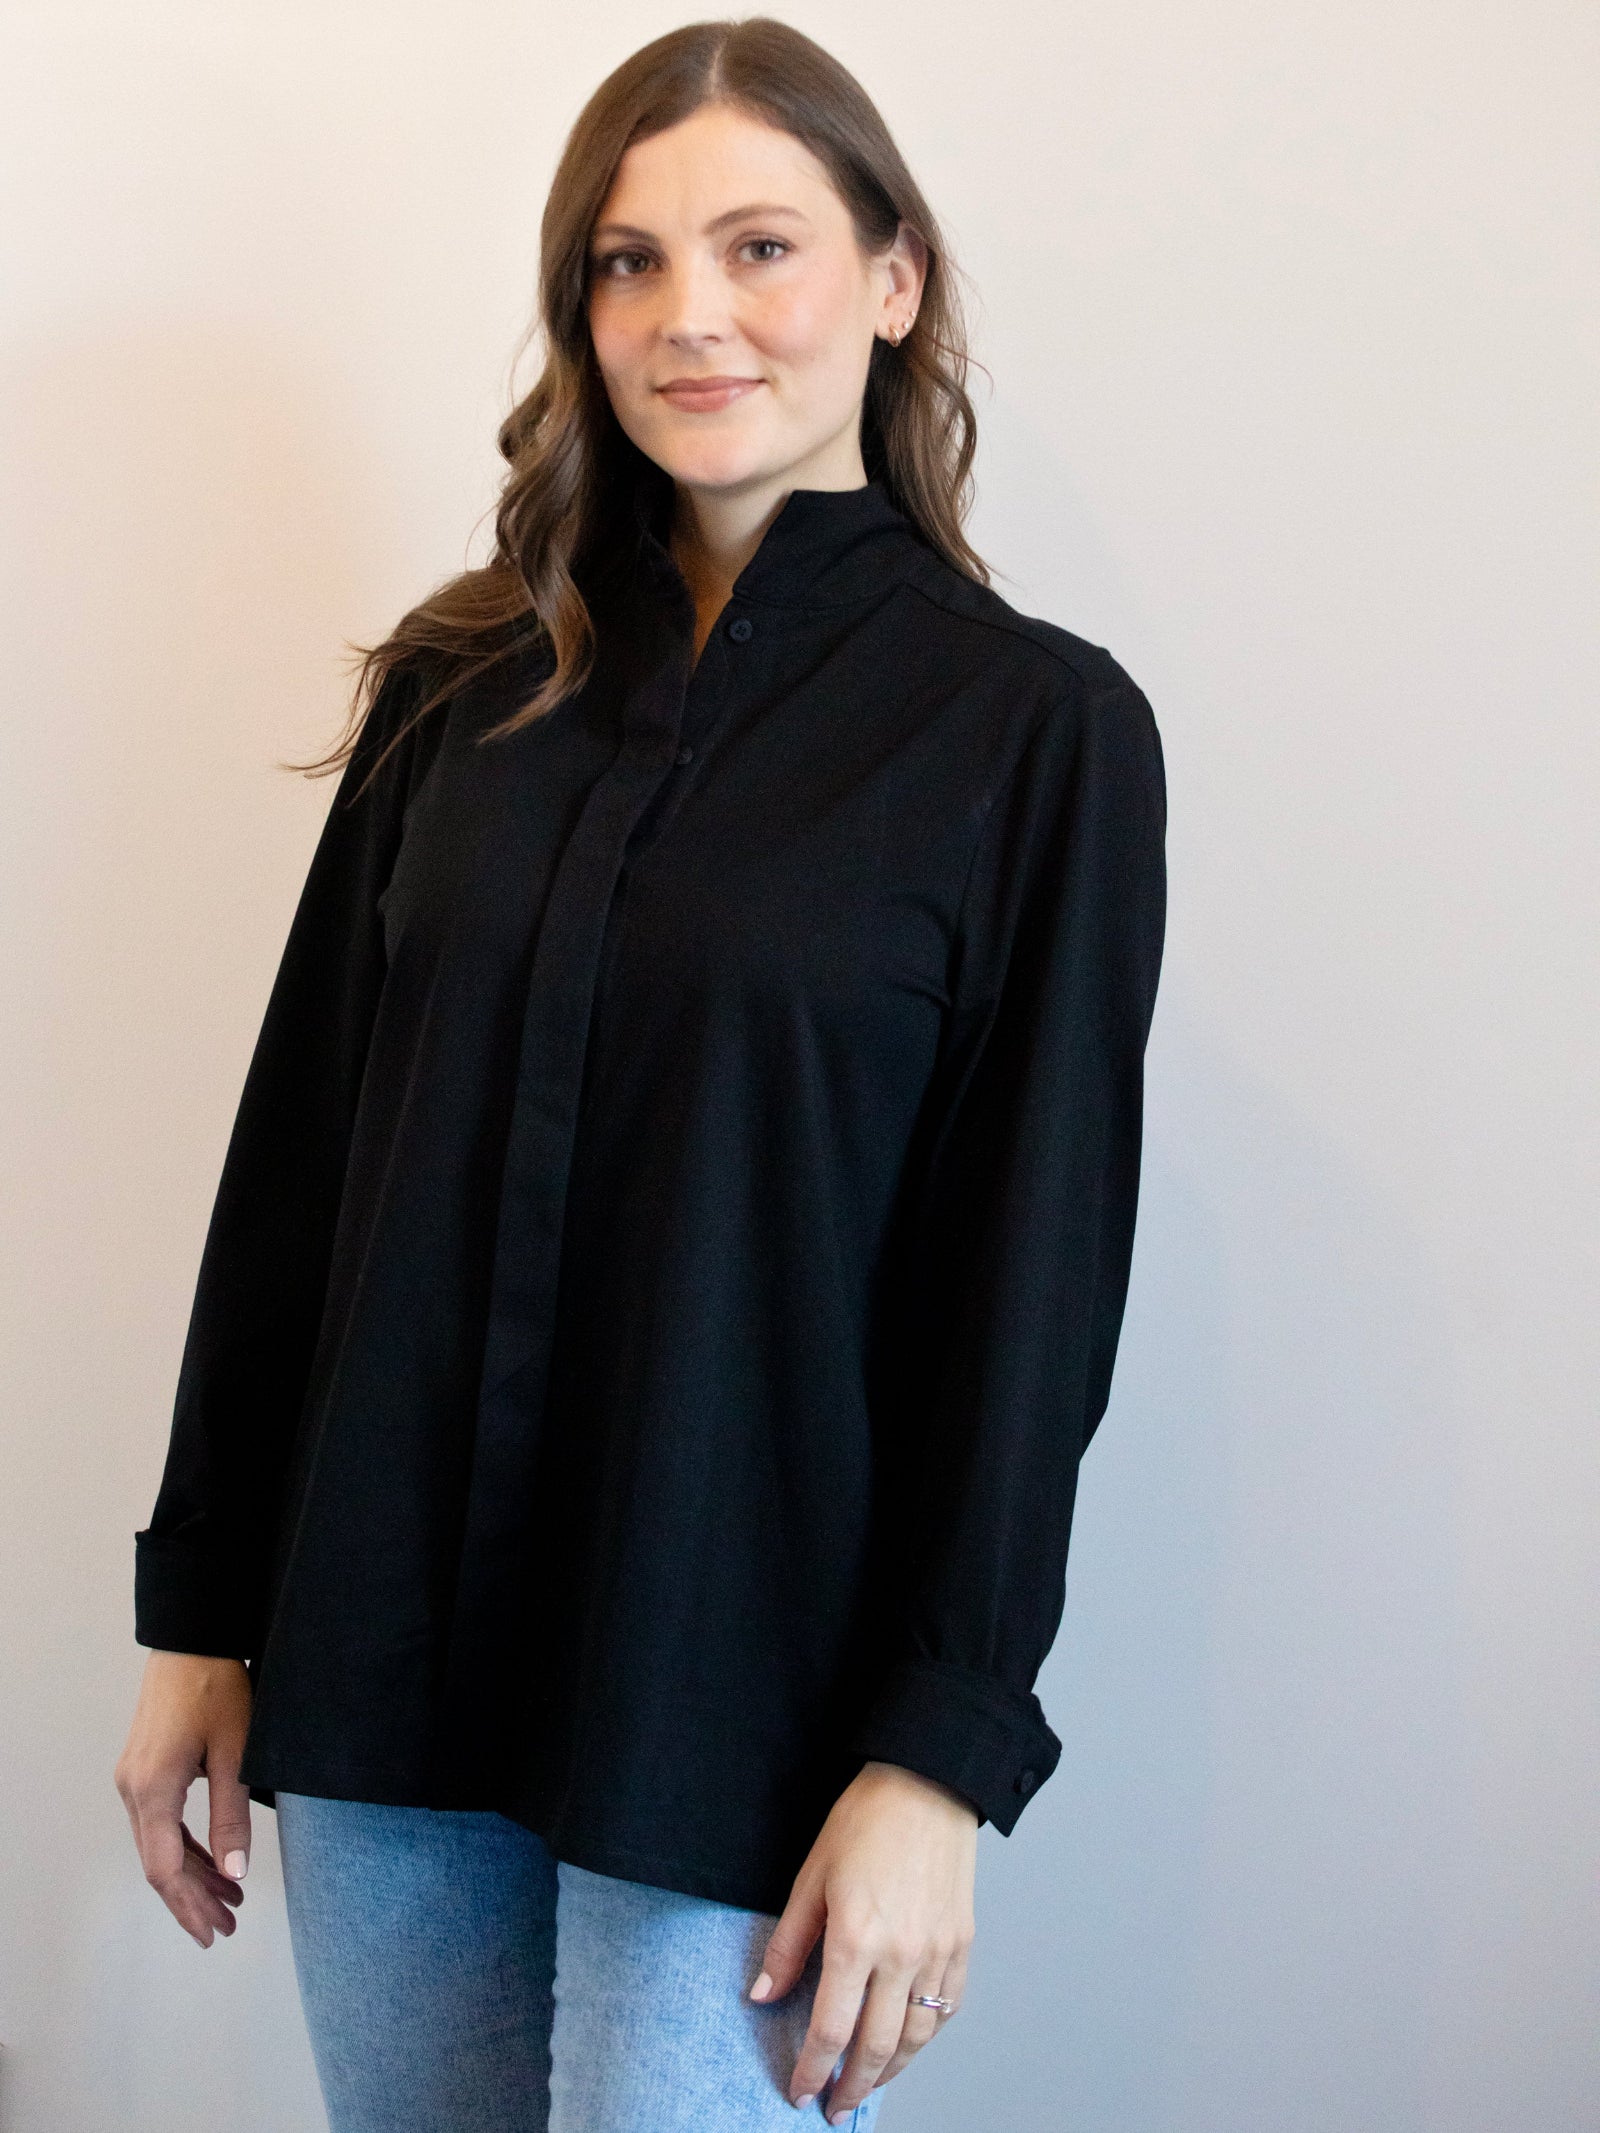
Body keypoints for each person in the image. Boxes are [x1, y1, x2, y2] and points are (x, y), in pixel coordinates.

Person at [114, 18, 1167, 2131]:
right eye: (624, 261)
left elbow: (1023, 1295)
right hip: (385, 1660)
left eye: (757, 245)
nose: (688, 315)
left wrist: (937, 1753)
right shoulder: (456, 693)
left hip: (743, 1703)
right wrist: (202, 1612)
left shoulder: (1030, 739)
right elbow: (302, 1168)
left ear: (890, 280)